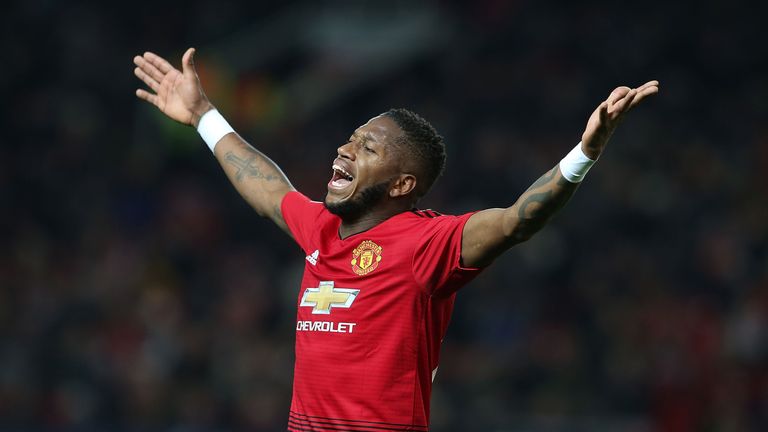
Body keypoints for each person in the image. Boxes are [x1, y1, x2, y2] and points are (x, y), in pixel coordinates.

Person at [133, 47, 658, 431]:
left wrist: (584, 152)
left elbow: (518, 219)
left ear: (403, 184)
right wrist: (203, 114)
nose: (345, 148)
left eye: (367, 148)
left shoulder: (426, 244)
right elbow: (266, 186)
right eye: (351, 138)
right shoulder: (321, 227)